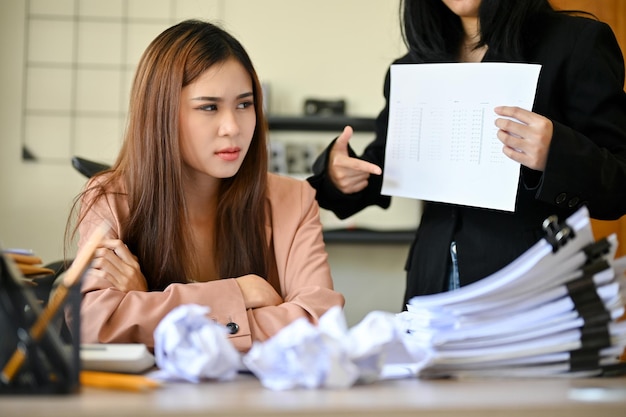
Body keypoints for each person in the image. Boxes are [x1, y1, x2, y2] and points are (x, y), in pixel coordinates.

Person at [308, 0, 626, 306]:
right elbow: (384, 163)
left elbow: (619, 183)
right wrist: (339, 175)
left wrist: (555, 153)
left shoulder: (575, 43)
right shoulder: (413, 66)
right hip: (431, 283)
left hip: (532, 286)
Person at [66, 19, 344, 353]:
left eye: (244, 104)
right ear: (161, 113)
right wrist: (241, 293)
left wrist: (151, 303)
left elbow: (321, 324)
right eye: (209, 107)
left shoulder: (294, 199)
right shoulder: (110, 197)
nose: (232, 127)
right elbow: (92, 324)